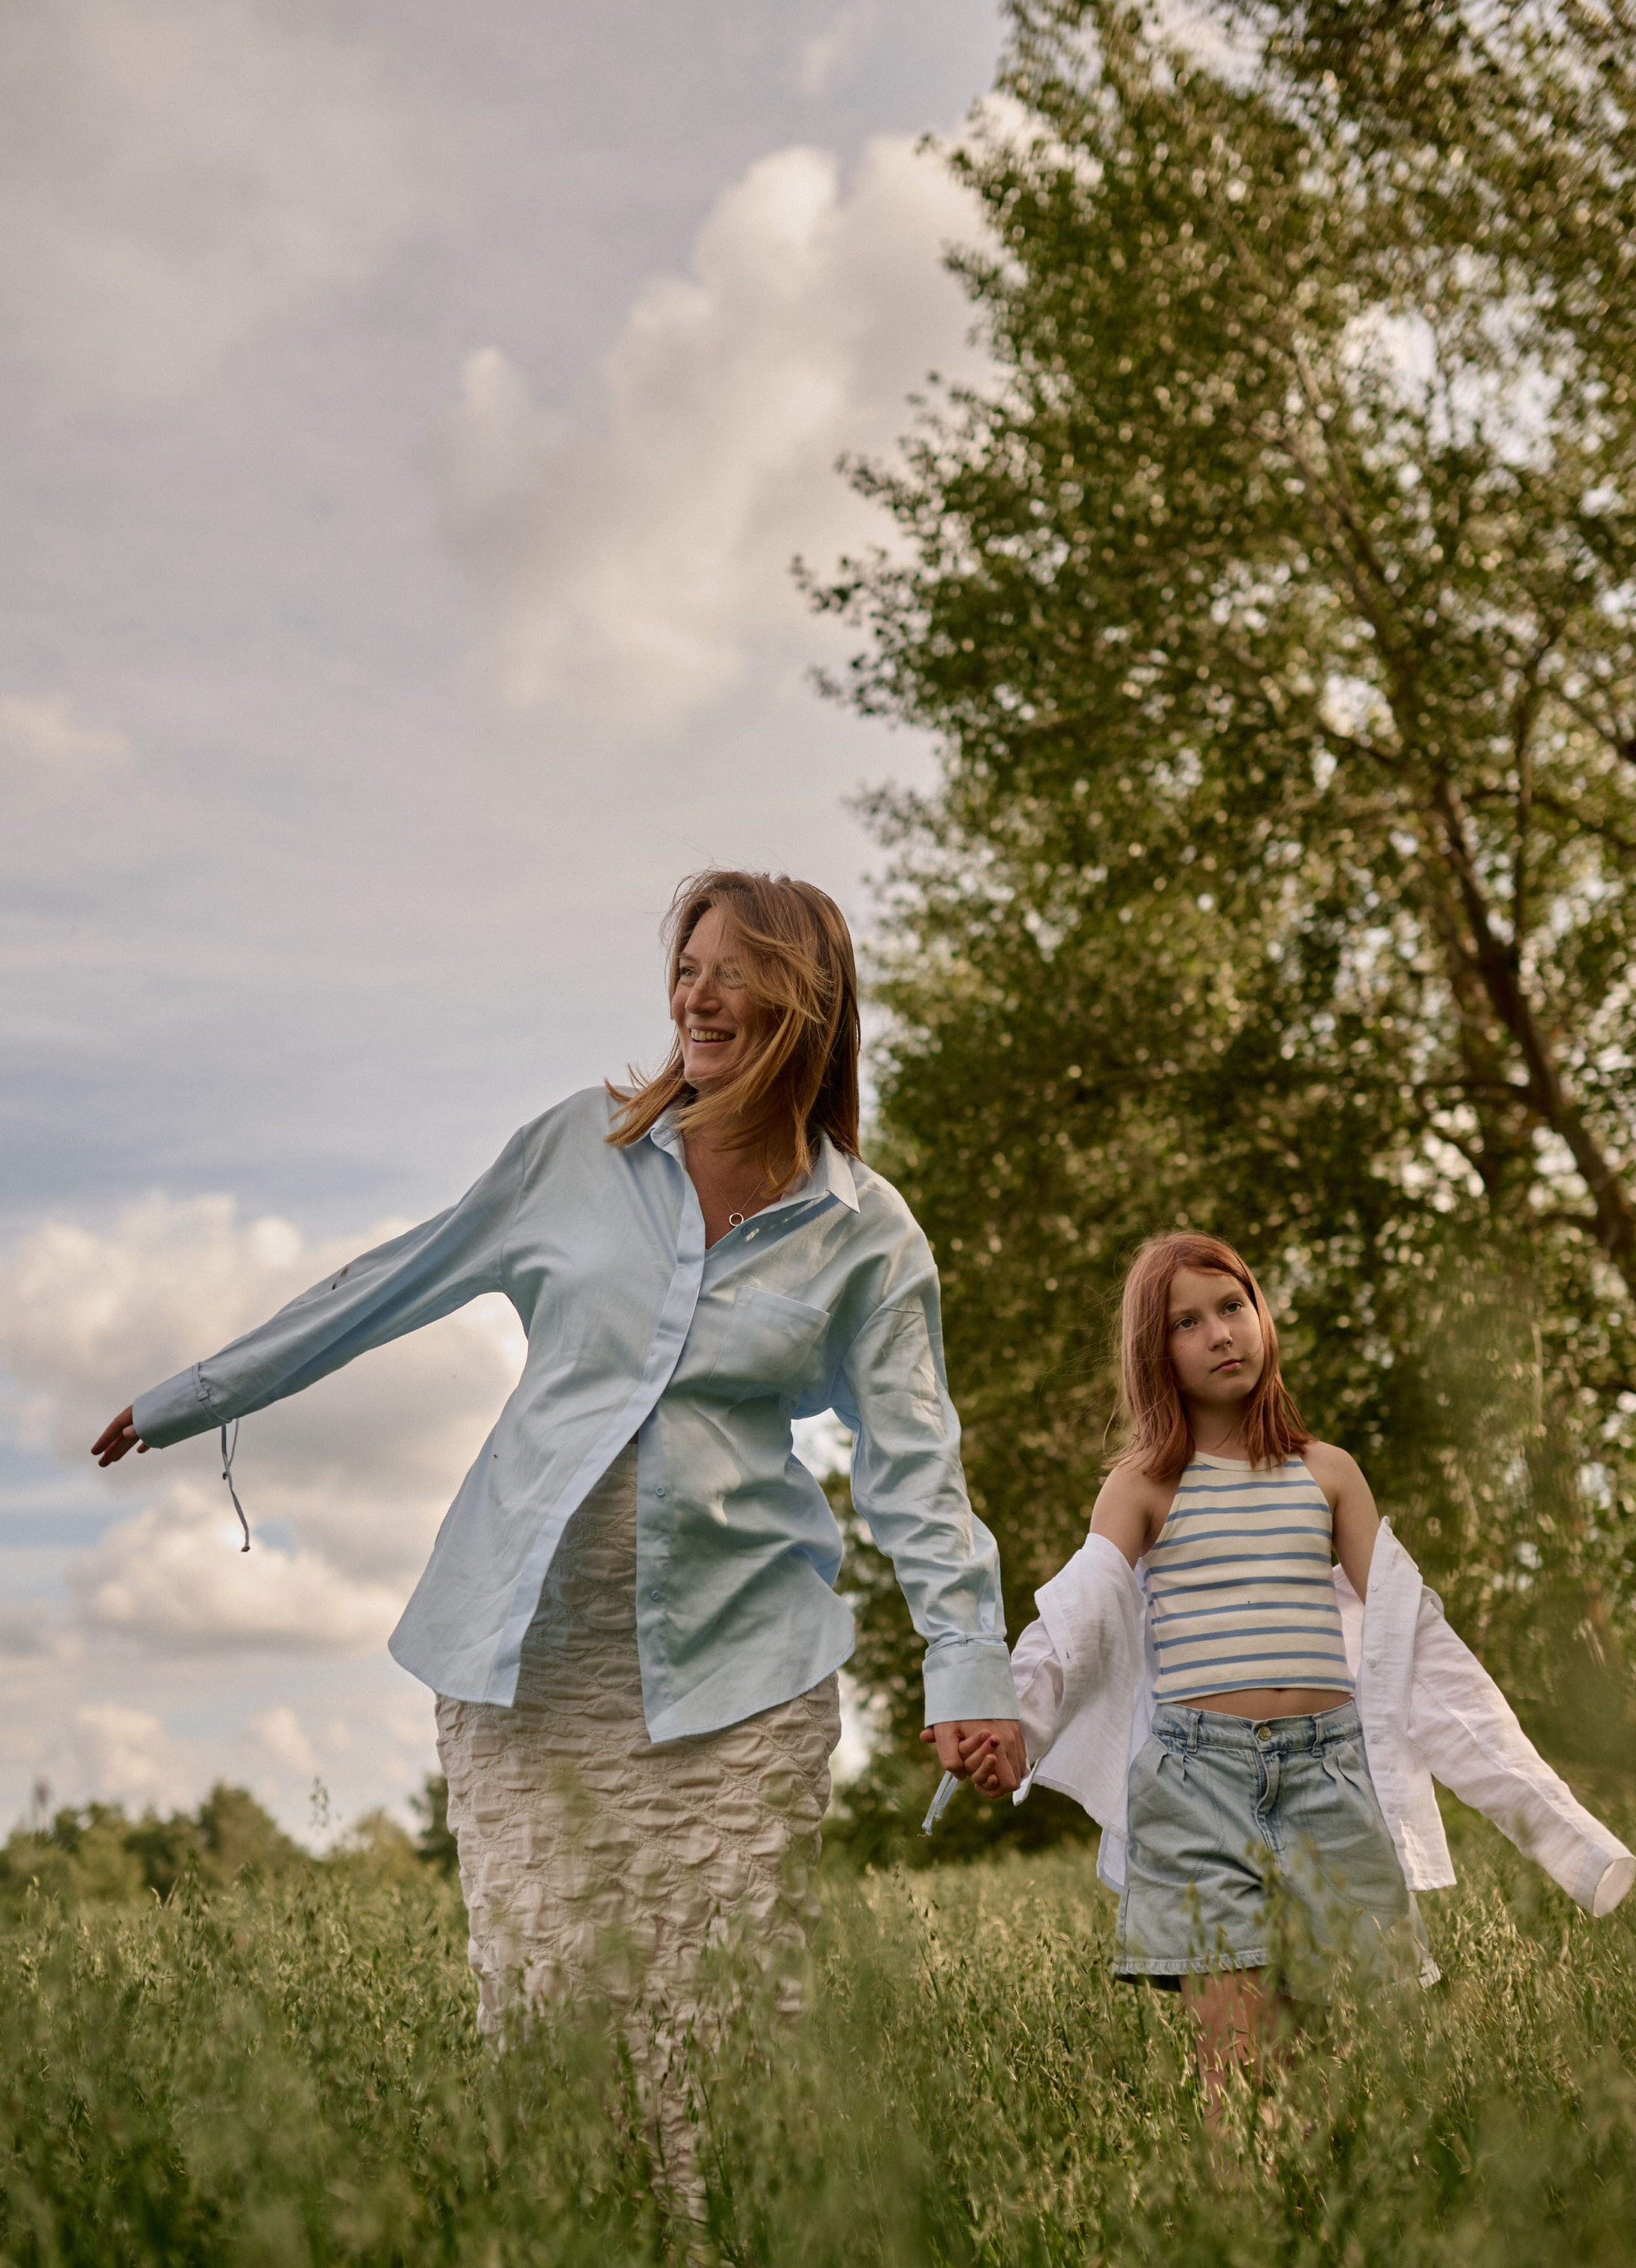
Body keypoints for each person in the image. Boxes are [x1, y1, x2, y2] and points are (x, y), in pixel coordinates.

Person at [92, 870, 1025, 2192]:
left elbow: (914, 1468)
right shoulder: (573, 1151)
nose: (696, 995)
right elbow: (393, 1280)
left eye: (731, 972)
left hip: (740, 1667)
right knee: (553, 2020)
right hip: (531, 1667)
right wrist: (194, 1396)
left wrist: (966, 1665)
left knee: (724, 2018)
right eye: (685, 967)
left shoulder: (863, 1234)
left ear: (803, 1002)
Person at [981, 1230, 1635, 2109]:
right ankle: (1243, 2220)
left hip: (1327, 1773)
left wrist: (1561, 1832)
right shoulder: (1144, 1484)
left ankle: (1335, 2219)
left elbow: (1414, 1630)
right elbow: (1079, 1615)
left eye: (1233, 1305)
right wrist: (1010, 1722)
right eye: (1187, 1321)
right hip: (1195, 1777)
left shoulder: (1326, 1474)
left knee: (1358, 2038)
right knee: (1240, 2046)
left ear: (1262, 1315)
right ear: (1154, 1350)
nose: (1221, 1332)